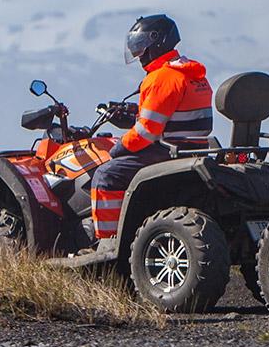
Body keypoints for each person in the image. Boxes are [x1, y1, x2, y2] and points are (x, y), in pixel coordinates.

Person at [86, 14, 213, 249]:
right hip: (191, 147)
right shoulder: (193, 73)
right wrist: (136, 111)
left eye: (141, 44)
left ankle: (106, 244)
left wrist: (118, 147)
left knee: (105, 174)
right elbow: (173, 112)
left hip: (164, 151)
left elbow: (145, 133)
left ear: (157, 41)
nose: (138, 52)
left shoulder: (161, 78)